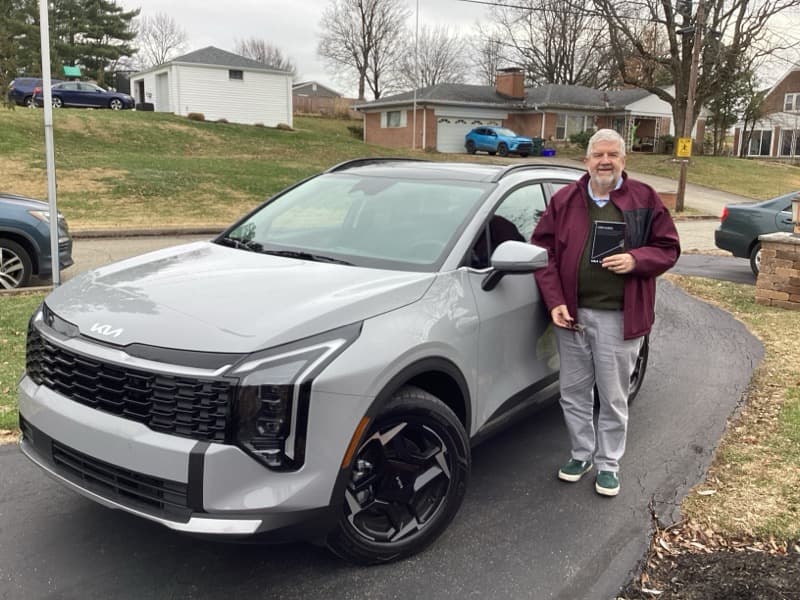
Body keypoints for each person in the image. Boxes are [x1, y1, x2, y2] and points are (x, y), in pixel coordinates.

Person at [531, 128, 680, 497]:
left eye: (613, 154)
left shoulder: (644, 199)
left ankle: (608, 464)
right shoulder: (565, 200)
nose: (605, 161)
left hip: (619, 316)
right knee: (573, 392)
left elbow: (668, 248)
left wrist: (636, 259)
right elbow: (542, 252)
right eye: (598, 154)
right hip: (573, 316)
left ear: (623, 160)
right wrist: (555, 301)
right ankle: (581, 454)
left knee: (612, 396)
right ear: (586, 160)